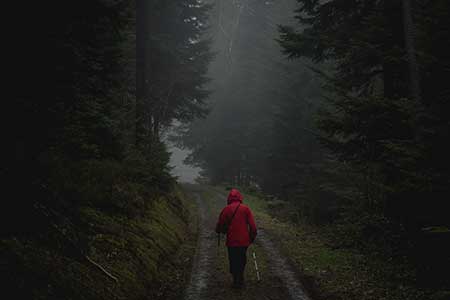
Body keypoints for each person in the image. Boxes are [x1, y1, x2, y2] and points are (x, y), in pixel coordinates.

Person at [215, 188, 257, 288]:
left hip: (231, 241)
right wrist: (251, 238)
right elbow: (253, 227)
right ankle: (241, 278)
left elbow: (220, 224)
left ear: (229, 198)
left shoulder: (226, 209)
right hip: (244, 241)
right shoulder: (246, 209)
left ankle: (235, 279)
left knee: (233, 259)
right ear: (240, 197)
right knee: (242, 258)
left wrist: (219, 230)